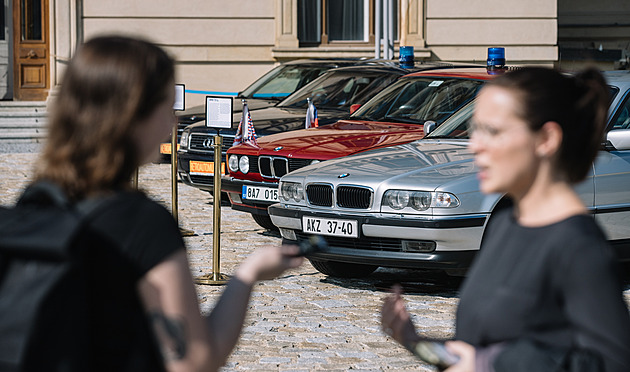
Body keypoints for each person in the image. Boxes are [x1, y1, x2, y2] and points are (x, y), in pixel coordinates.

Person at [34, 35, 304, 371]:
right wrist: (248, 275)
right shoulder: (141, 222)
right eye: (165, 106)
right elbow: (193, 359)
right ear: (134, 114)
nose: (173, 123)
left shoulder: (33, 203)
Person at [381, 67, 630, 372]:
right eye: (475, 130)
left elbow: (612, 362)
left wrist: (495, 363)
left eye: (493, 131)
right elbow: (473, 352)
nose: (475, 145)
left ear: (546, 139)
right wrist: (414, 341)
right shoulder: (505, 224)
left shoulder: (577, 246)